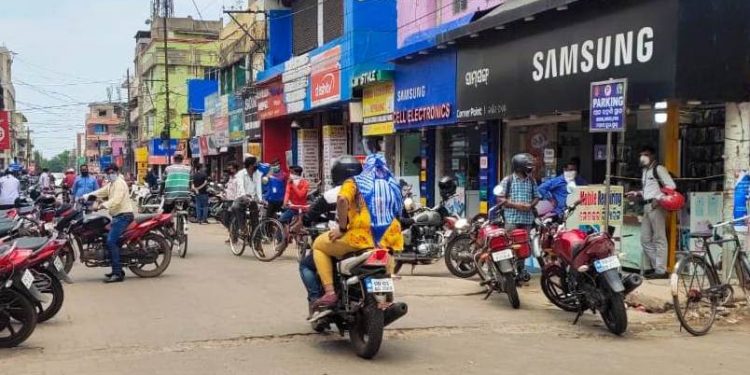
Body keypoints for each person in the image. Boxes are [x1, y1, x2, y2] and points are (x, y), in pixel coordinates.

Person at [311, 138, 404, 310]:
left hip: (361, 238)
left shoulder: (355, 182)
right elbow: (400, 210)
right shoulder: (393, 184)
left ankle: (330, 292)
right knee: (386, 258)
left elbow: (341, 200)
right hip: (389, 238)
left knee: (318, 245)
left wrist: (341, 228)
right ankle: (388, 296)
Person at [626, 146, 676, 279]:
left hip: (657, 206)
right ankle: (657, 267)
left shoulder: (659, 169)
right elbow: (649, 190)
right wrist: (637, 193)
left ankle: (661, 270)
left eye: (646, 154)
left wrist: (658, 199)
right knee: (645, 239)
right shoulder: (645, 171)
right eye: (641, 154)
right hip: (647, 206)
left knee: (659, 238)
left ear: (653, 156)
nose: (643, 157)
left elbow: (671, 186)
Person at [494, 153, 541, 280]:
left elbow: (537, 196)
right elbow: (500, 199)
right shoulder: (507, 180)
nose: (530, 169)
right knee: (508, 245)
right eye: (527, 166)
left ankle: (521, 270)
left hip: (526, 220)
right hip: (511, 219)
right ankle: (507, 272)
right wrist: (516, 205)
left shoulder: (531, 181)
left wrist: (530, 205)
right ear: (519, 167)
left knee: (523, 247)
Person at [86, 164, 134, 283]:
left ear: (117, 172)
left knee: (111, 241)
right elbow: (101, 192)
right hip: (117, 217)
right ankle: (116, 269)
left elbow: (116, 200)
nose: (110, 174)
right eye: (108, 173)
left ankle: (118, 273)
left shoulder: (120, 184)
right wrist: (85, 196)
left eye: (112, 172)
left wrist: (102, 205)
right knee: (106, 238)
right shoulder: (112, 184)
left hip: (124, 216)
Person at [231, 155, 264, 239]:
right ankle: (243, 228)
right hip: (241, 197)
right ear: (250, 166)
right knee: (236, 207)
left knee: (255, 218)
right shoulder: (240, 174)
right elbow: (240, 187)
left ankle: (256, 239)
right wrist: (244, 195)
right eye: (255, 164)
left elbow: (258, 188)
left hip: (252, 199)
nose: (257, 165)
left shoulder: (258, 174)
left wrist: (260, 200)